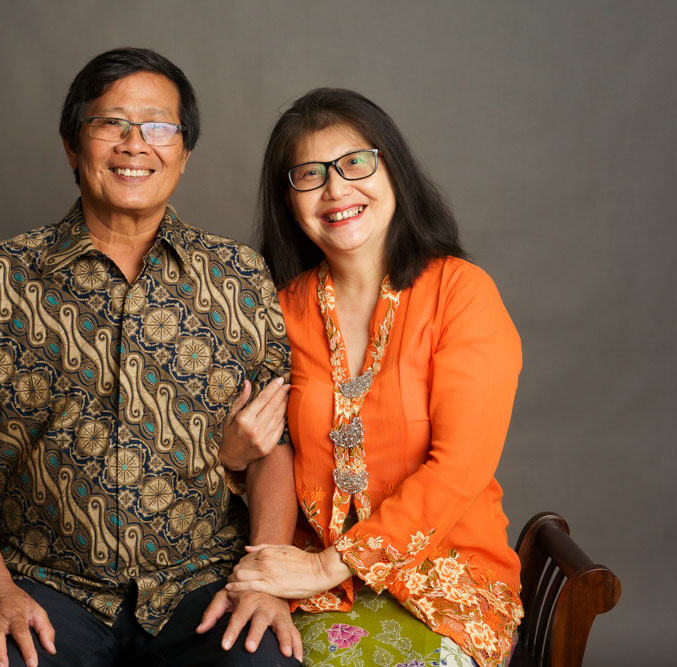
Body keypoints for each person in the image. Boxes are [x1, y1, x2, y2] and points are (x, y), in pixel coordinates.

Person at [0, 47, 302, 667]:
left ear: (184, 152)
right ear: (70, 145)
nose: (135, 144)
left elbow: (275, 445)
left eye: (159, 126)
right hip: (45, 585)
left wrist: (265, 578)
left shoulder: (238, 278)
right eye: (110, 122)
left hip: (201, 582)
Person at [218, 88, 523, 666]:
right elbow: (265, 455)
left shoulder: (461, 294)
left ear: (394, 170)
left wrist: (325, 566)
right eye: (309, 175)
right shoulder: (277, 311)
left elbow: (459, 469)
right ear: (288, 200)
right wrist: (232, 457)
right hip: (313, 591)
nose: (336, 190)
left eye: (355, 163)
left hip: (446, 585)